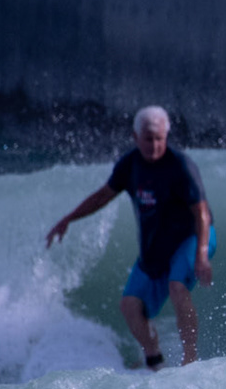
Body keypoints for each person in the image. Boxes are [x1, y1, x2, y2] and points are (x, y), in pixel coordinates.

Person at [45, 106, 214, 369]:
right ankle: (154, 362)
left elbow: (201, 212)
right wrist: (69, 218)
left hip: (192, 236)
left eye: (159, 139)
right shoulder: (129, 165)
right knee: (129, 305)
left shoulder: (180, 166)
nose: (154, 145)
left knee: (177, 286)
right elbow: (103, 196)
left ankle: (190, 359)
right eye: (148, 139)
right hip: (157, 243)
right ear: (135, 137)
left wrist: (201, 254)